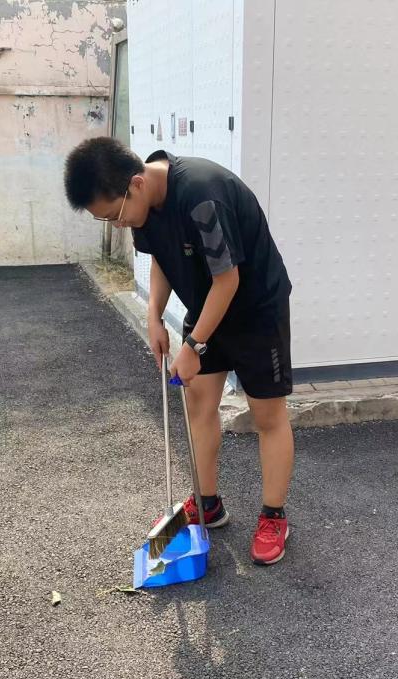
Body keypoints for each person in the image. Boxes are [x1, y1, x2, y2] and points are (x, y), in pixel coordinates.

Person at [64, 137, 294, 565]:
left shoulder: (202, 196)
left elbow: (228, 280)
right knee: (198, 405)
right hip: (207, 306)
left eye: (114, 215)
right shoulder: (142, 204)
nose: (118, 225)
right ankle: (207, 504)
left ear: (135, 184)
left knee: (267, 416)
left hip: (255, 311)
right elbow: (161, 259)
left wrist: (193, 345)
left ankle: (273, 516)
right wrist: (154, 316)